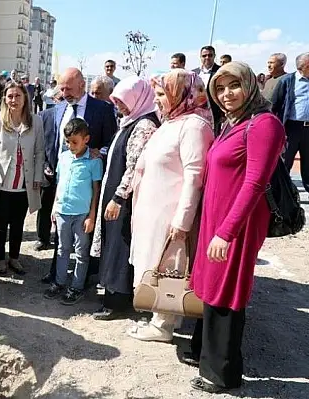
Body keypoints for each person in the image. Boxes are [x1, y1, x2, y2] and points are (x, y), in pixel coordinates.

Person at [188, 62, 286, 393]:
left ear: (249, 85)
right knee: (212, 289)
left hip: (236, 225)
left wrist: (226, 231)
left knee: (227, 292)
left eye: (234, 86)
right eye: (219, 88)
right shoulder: (235, 122)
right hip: (217, 221)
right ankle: (206, 358)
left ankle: (221, 374)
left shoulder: (264, 124)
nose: (226, 94)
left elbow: (256, 182)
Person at [126, 69, 214, 342]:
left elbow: (194, 175)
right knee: (153, 263)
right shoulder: (172, 122)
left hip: (169, 213)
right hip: (152, 210)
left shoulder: (194, 127)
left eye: (163, 94)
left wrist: (182, 220)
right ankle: (159, 316)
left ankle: (163, 324)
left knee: (168, 268)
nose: (158, 100)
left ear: (182, 94)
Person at [90, 76, 161, 320]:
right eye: (116, 101)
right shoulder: (130, 121)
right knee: (113, 242)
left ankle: (116, 299)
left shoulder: (144, 126)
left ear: (137, 98)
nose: (119, 105)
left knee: (120, 245)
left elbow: (133, 167)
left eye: (122, 100)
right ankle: (113, 292)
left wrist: (119, 198)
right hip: (117, 190)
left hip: (125, 196)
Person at [37, 67, 116, 256]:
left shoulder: (102, 109)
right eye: (62, 89)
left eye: (68, 89)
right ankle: (57, 270)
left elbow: (111, 142)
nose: (64, 94)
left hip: (85, 180)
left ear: (82, 85)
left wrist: (101, 153)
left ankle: (82, 274)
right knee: (59, 225)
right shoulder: (58, 108)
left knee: (82, 231)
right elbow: (52, 139)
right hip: (59, 176)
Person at [0, 81, 44, 275]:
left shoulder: (36, 121)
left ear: (25, 98)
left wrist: (38, 177)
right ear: (5, 99)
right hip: (2, 181)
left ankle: (14, 257)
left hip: (24, 183)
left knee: (18, 223)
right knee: (0, 222)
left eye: (18, 96)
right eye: (10, 96)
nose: (13, 100)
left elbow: (40, 152)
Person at [43, 118, 102, 304]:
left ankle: (76, 287)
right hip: (62, 211)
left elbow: (96, 190)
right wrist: (54, 207)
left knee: (81, 252)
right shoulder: (63, 157)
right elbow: (59, 184)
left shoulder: (94, 162)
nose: (71, 146)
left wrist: (92, 216)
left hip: (82, 214)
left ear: (86, 139)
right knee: (62, 249)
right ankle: (59, 282)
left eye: (75, 142)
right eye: (68, 142)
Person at [271, 52, 309, 193]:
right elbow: (274, 105)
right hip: (291, 128)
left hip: (308, 130)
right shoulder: (287, 81)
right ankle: (282, 193)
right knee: (285, 162)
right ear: (303, 67)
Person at [192, 46, 223, 134]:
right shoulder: (194, 73)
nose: (207, 58)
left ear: (214, 56)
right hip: (196, 112)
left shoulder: (220, 71)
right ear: (200, 57)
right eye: (204, 56)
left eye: (210, 55)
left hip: (215, 112)